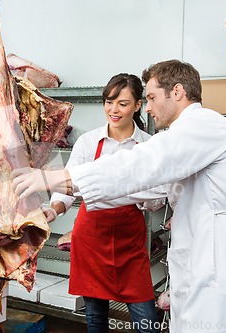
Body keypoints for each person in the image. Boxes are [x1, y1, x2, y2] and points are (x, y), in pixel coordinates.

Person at [13, 59, 226, 333]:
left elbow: (141, 167)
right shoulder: (183, 133)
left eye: (150, 97)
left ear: (177, 92)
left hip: (218, 256)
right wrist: (59, 194)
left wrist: (56, 178)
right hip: (199, 250)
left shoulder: (202, 126)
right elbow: (140, 187)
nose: (147, 107)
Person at [47, 73, 165, 333]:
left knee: (146, 323)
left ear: (137, 105)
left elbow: (156, 199)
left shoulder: (148, 146)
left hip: (129, 244)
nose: (113, 110)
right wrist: (52, 211)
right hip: (90, 241)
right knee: (96, 320)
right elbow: (68, 184)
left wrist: (139, 196)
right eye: (108, 102)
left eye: (122, 103)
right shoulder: (89, 142)